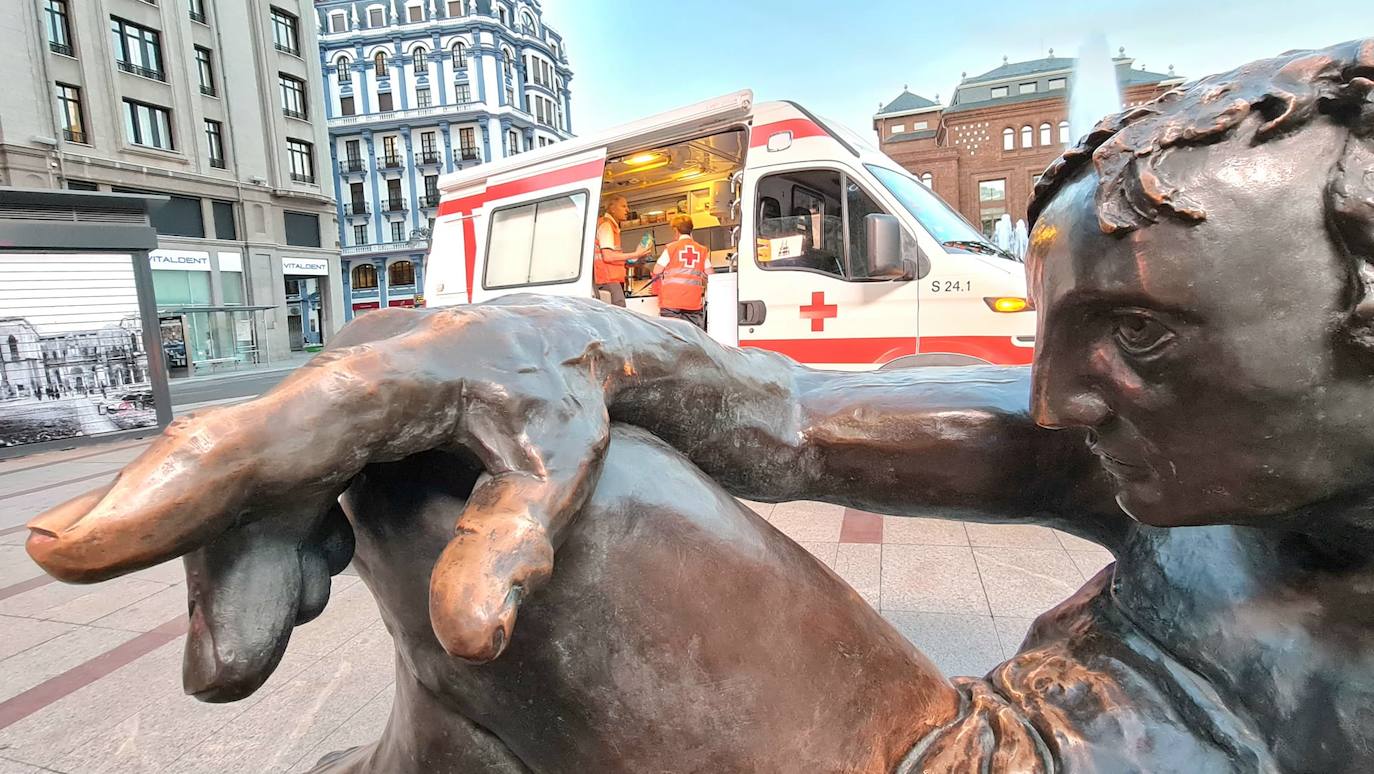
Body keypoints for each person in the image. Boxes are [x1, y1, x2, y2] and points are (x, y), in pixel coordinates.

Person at [25, 40, 1374, 772]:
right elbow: (781, 405)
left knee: (561, 521)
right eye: (1066, 324)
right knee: (478, 438)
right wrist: (538, 335)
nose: (1067, 392)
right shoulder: (1193, 454)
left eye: (1141, 334)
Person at [651, 214, 712, 330]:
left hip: (671, 302)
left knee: (673, 337)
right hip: (693, 303)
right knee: (692, 336)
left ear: (676, 230)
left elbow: (657, 270)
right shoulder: (701, 250)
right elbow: (711, 275)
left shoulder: (671, 248)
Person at [593, 195, 650, 307]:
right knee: (618, 314)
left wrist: (634, 262)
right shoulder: (606, 225)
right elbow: (608, 256)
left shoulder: (609, 225)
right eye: (623, 206)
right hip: (607, 279)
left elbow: (614, 257)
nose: (627, 210)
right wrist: (636, 254)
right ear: (612, 208)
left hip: (607, 279)